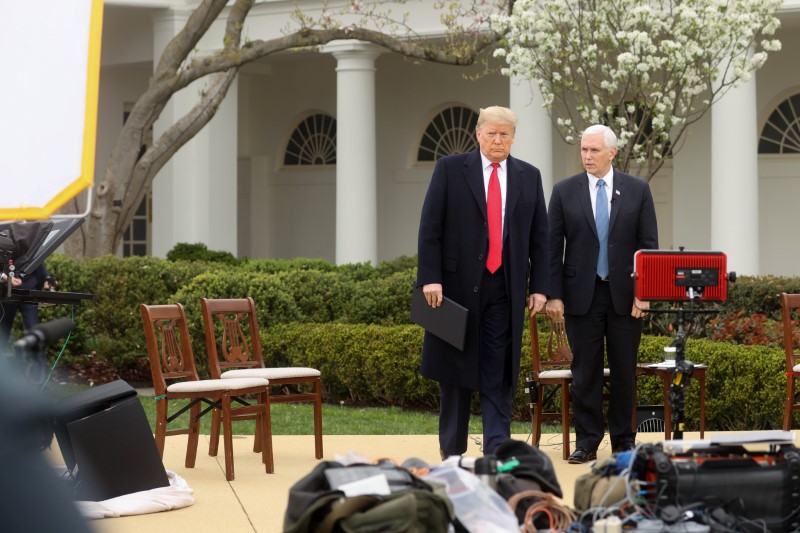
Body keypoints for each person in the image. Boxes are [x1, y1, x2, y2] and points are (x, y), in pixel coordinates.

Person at [417, 105, 550, 458]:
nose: (497, 140)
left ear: (513, 138)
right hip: (455, 290)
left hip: (505, 288)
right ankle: (453, 453)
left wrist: (540, 286)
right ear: (478, 134)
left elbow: (541, 237)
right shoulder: (450, 169)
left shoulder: (528, 176)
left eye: (504, 134)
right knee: (455, 373)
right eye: (491, 133)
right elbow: (430, 227)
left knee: (499, 371)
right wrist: (430, 278)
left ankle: (496, 450)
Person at [546, 124, 658, 464]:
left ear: (612, 152)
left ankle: (624, 441)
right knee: (586, 373)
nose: (587, 156)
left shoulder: (637, 190)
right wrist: (553, 295)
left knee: (625, 371)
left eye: (594, 150)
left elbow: (648, 247)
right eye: (584, 150)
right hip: (581, 295)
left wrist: (645, 292)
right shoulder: (565, 191)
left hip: (625, 296)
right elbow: (552, 248)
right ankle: (588, 442)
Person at [0, 264, 54, 349]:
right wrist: (3, 276)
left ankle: (38, 361)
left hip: (29, 287)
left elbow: (36, 258)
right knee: (3, 332)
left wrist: (46, 277)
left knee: (34, 331)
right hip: (7, 290)